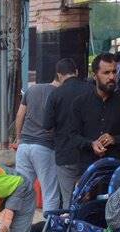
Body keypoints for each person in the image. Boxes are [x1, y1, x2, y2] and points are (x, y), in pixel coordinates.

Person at [69, 53, 120, 171]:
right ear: (95, 76)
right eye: (106, 73)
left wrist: (115, 140)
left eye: (114, 72)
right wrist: (91, 144)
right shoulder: (80, 103)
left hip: (115, 170)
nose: (112, 77)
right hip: (87, 171)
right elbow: (72, 136)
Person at [43, 58, 93, 208]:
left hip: (65, 153)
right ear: (76, 72)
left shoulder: (55, 95)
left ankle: (70, 228)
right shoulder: (91, 90)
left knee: (68, 200)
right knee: (88, 197)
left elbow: (47, 125)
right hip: (89, 151)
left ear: (59, 75)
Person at [12, 78, 60, 212]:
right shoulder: (59, 93)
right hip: (45, 146)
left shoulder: (32, 89)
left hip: (24, 146)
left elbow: (20, 114)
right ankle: (48, 230)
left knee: (21, 190)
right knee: (49, 191)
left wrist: (18, 138)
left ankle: (15, 225)